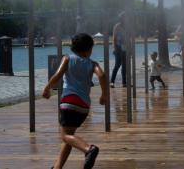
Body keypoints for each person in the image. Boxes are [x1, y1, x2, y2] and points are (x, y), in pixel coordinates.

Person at [42, 33, 108, 169]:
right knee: (70, 137)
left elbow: (58, 75)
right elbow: (101, 75)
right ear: (88, 49)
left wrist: (47, 88)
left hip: (69, 102)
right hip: (83, 106)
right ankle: (57, 167)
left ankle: (89, 149)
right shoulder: (92, 63)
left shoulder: (67, 58)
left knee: (65, 136)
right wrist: (104, 95)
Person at [110, 12, 126, 88]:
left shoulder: (127, 26)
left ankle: (124, 82)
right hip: (118, 47)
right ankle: (112, 82)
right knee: (117, 65)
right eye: (123, 17)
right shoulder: (117, 26)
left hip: (125, 48)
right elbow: (114, 37)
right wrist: (114, 48)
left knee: (124, 66)